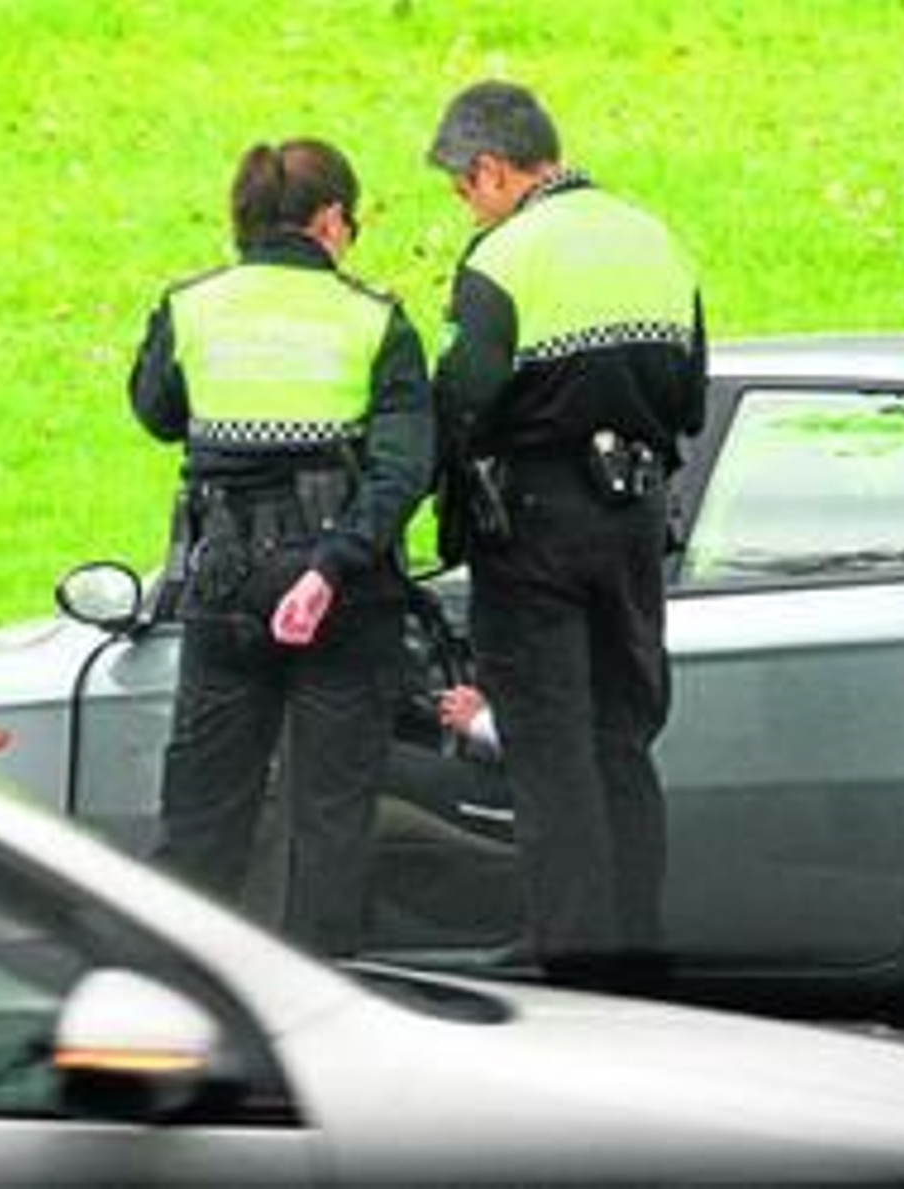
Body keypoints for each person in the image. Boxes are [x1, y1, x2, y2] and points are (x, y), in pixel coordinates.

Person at [426, 81, 707, 986]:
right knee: (623, 739)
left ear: (493, 170)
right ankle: (639, 955)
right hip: (631, 521)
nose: (465, 203)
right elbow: (691, 397)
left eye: (462, 187)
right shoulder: (654, 237)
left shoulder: (505, 257)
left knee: (552, 754)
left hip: (536, 524)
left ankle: (576, 965)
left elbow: (463, 398)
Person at [130, 138, 433, 957]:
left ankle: (186, 989)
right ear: (330, 220)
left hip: (224, 577)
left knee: (202, 811)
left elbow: (157, 410)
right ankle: (325, 992)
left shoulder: (191, 306)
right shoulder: (374, 319)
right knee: (330, 818)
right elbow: (406, 468)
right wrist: (331, 566)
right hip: (338, 590)